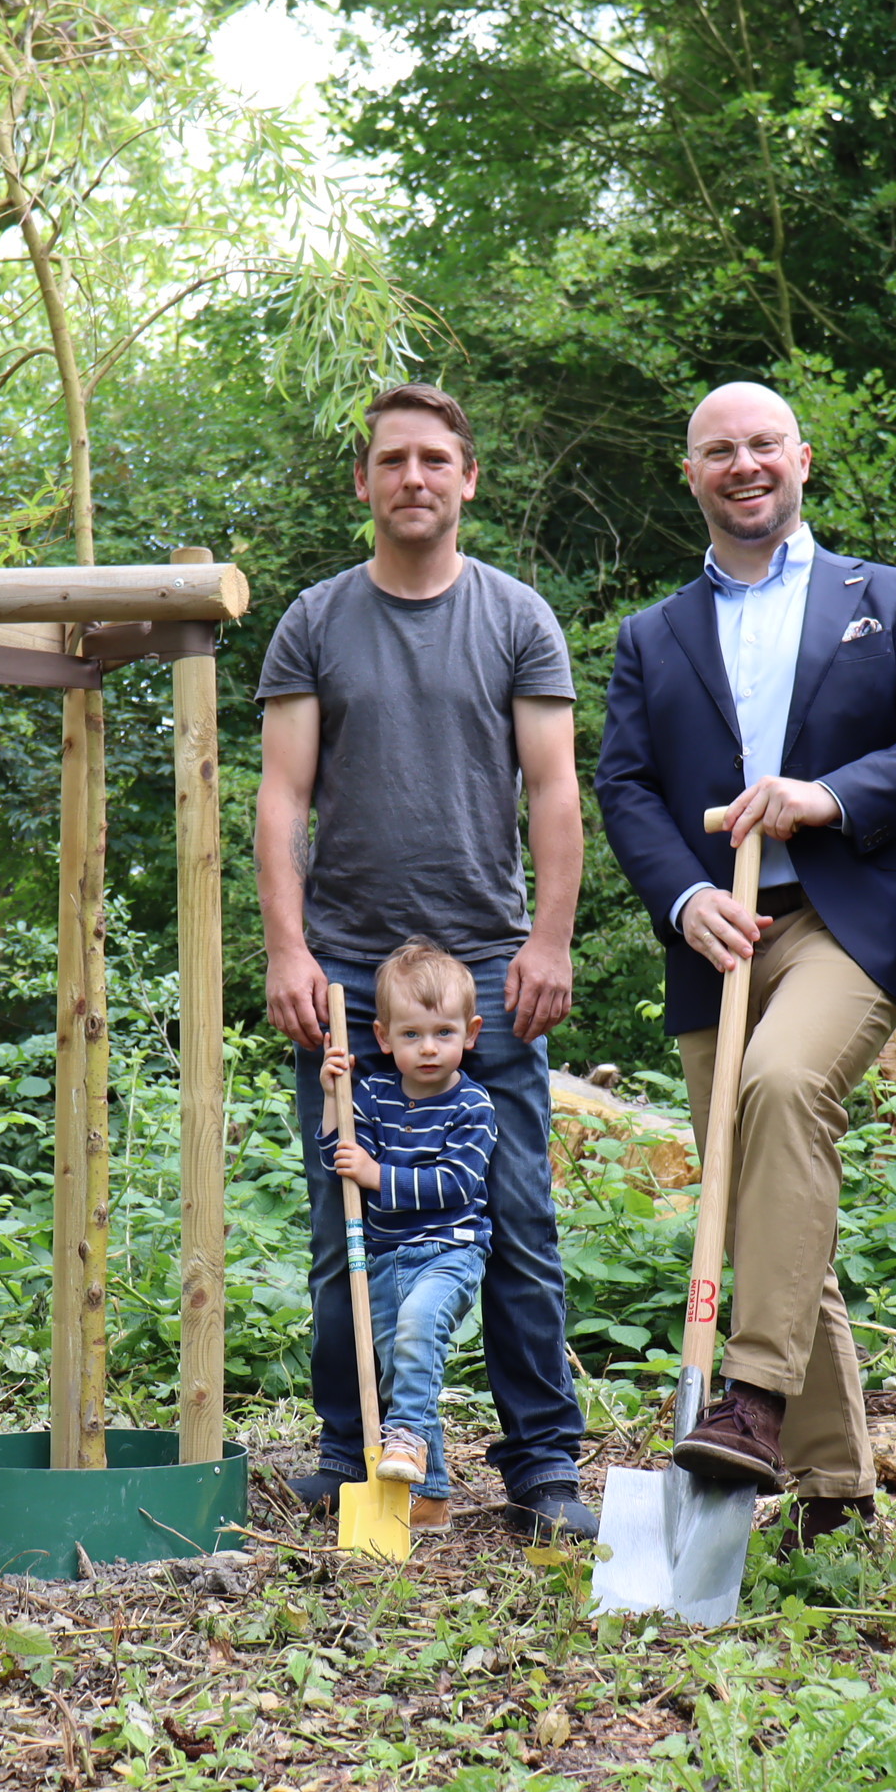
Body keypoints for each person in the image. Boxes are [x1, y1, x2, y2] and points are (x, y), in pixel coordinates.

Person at [594, 381, 896, 1539]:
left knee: (782, 1088)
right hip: (721, 932)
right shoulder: (651, 636)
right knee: (759, 1200)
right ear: (693, 473)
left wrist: (830, 794)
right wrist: (681, 894)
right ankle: (836, 1489)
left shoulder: (890, 599)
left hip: (846, 922)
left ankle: (750, 1396)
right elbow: (626, 785)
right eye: (722, 451)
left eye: (765, 444)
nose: (746, 464)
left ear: (802, 459)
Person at [254, 381, 595, 1542]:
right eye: (392, 459)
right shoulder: (314, 620)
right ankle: (358, 1459)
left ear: (466, 480)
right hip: (346, 973)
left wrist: (548, 941)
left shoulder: (515, 619)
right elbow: (283, 795)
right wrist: (287, 949)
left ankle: (544, 1465)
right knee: (342, 1217)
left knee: (514, 1221)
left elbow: (553, 789)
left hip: (487, 970)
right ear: (364, 481)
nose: (413, 477)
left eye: (434, 459)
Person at [314, 938, 496, 1529]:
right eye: (412, 1035)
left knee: (419, 1335)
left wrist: (377, 1174)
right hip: (387, 1257)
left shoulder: (473, 1103)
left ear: (470, 1033)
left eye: (443, 1033)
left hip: (449, 1252)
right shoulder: (371, 1095)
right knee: (401, 1372)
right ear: (384, 1037)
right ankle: (432, 1497)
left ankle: (409, 1441)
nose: (428, 1048)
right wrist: (329, 1098)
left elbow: (456, 1183)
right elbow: (339, 1160)